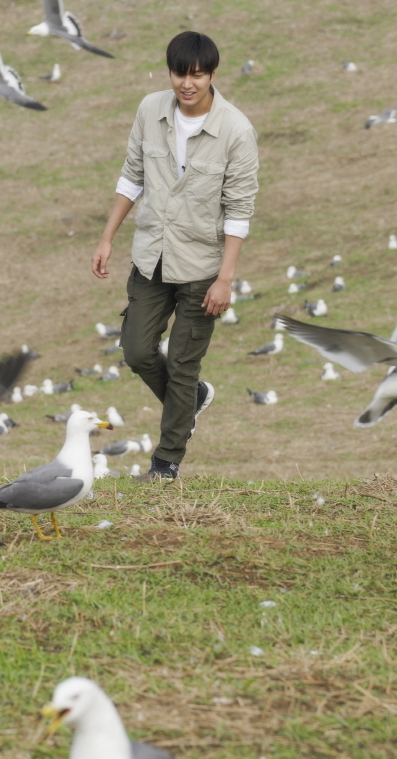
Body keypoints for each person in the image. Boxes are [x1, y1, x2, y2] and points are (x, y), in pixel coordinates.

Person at [91, 31, 259, 481]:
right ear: (170, 72)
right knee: (137, 350)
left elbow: (239, 211)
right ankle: (192, 399)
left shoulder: (236, 131)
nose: (188, 84)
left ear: (212, 75)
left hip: (203, 269)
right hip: (151, 256)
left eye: (197, 75)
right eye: (180, 74)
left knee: (182, 365)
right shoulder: (150, 110)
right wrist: (108, 237)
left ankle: (165, 464)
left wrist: (226, 279)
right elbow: (132, 176)